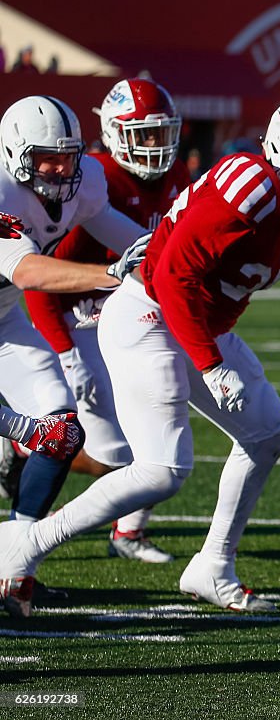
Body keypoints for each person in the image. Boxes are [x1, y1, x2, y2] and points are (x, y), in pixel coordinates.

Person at [0, 96, 280, 617]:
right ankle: (23, 545)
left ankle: (213, 565)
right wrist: (210, 364)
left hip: (186, 321)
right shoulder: (251, 186)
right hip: (150, 316)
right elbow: (169, 277)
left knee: (267, 433)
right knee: (162, 469)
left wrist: (212, 350)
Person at [22, 78, 192, 564]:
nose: (156, 147)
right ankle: (22, 449)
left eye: (162, 134)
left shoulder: (177, 175)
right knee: (113, 455)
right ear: (116, 133)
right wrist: (67, 352)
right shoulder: (94, 178)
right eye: (144, 135)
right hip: (75, 321)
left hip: (131, 316)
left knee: (162, 427)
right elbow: (44, 277)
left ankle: (128, 532)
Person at [0, 95, 150, 530]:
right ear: (14, 153)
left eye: (68, 158)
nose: (63, 170)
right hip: (14, 300)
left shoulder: (85, 184)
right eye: (48, 159)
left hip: (4, 318)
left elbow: (127, 235)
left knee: (61, 429)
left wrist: (175, 260)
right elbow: (28, 271)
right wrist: (111, 274)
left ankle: (15, 556)